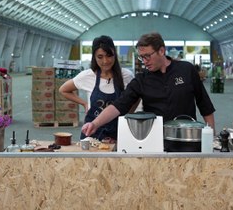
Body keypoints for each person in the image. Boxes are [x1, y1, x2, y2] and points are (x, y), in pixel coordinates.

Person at [82, 32, 216, 137]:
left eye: (147, 56)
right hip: (155, 139)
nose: (144, 61)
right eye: (141, 57)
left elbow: (204, 104)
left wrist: (211, 135)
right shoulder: (142, 80)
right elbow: (118, 105)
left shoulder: (187, 70)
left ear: (161, 51)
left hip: (187, 137)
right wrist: (95, 123)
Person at [59, 35, 134, 140]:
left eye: (109, 55)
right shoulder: (87, 76)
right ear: (94, 57)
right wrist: (84, 103)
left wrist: (128, 115)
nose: (105, 61)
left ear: (115, 55)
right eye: (100, 57)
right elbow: (63, 90)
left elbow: (135, 98)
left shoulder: (126, 76)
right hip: (92, 132)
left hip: (118, 132)